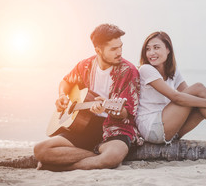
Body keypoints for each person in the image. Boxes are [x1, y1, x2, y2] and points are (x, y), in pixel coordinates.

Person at [34, 24, 142, 171]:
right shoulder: (85, 65)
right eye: (113, 49)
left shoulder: (129, 71)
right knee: (40, 150)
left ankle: (62, 167)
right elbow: (66, 81)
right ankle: (95, 155)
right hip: (84, 126)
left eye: (120, 47)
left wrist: (109, 108)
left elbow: (126, 113)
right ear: (98, 50)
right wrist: (62, 96)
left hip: (117, 128)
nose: (119, 52)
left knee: (112, 157)